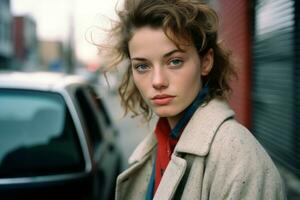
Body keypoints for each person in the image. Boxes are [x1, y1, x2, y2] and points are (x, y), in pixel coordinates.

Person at [101, 0, 286, 199]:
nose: (157, 82)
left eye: (175, 61)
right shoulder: (161, 142)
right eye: (142, 66)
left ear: (206, 62)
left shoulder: (238, 158)